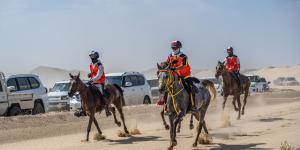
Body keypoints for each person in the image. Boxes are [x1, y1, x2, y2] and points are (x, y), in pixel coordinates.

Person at [166, 40, 198, 113]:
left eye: (175, 48)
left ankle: (193, 106)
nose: (174, 49)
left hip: (185, 76)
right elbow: (167, 64)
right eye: (173, 48)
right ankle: (166, 107)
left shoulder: (183, 56)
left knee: (191, 88)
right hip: (174, 76)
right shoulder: (170, 56)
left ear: (179, 47)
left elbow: (183, 66)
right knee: (166, 89)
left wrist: (175, 68)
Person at [88, 51, 111, 116]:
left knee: (102, 94)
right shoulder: (91, 64)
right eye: (91, 56)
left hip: (100, 82)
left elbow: (99, 75)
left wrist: (92, 79)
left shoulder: (100, 65)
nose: (91, 57)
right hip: (93, 82)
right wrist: (90, 74)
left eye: (92, 56)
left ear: (96, 56)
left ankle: (107, 109)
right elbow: (93, 72)